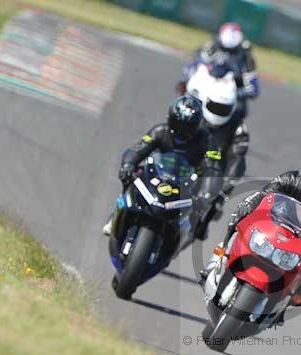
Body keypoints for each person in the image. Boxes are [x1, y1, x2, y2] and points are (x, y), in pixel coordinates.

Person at [206, 148, 301, 314]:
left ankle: (282, 307)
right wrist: (249, 204)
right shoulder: (289, 178)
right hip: (275, 228)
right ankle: (224, 254)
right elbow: (265, 194)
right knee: (239, 215)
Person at [103, 96, 222, 235]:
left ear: (197, 125)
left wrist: (206, 194)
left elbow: (214, 168)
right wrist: (128, 164)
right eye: (178, 124)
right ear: (170, 118)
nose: (182, 130)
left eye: (188, 127)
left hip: (187, 183)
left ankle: (188, 233)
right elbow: (138, 148)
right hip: (157, 174)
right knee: (130, 176)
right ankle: (117, 214)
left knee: (201, 213)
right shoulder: (159, 130)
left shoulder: (207, 140)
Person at [184, 66, 249, 239]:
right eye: (214, 106)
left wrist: (224, 188)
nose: (217, 112)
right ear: (206, 100)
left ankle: (201, 224)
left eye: (223, 109)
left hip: (212, 172)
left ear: (233, 107)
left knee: (216, 202)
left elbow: (238, 161)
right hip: (186, 161)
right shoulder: (192, 111)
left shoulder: (238, 126)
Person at [179, 23, 259, 116]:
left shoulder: (246, 58)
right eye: (224, 49)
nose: (226, 54)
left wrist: (233, 94)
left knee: (239, 113)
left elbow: (253, 90)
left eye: (231, 52)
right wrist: (185, 80)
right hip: (203, 94)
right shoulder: (212, 46)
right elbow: (193, 65)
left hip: (226, 103)